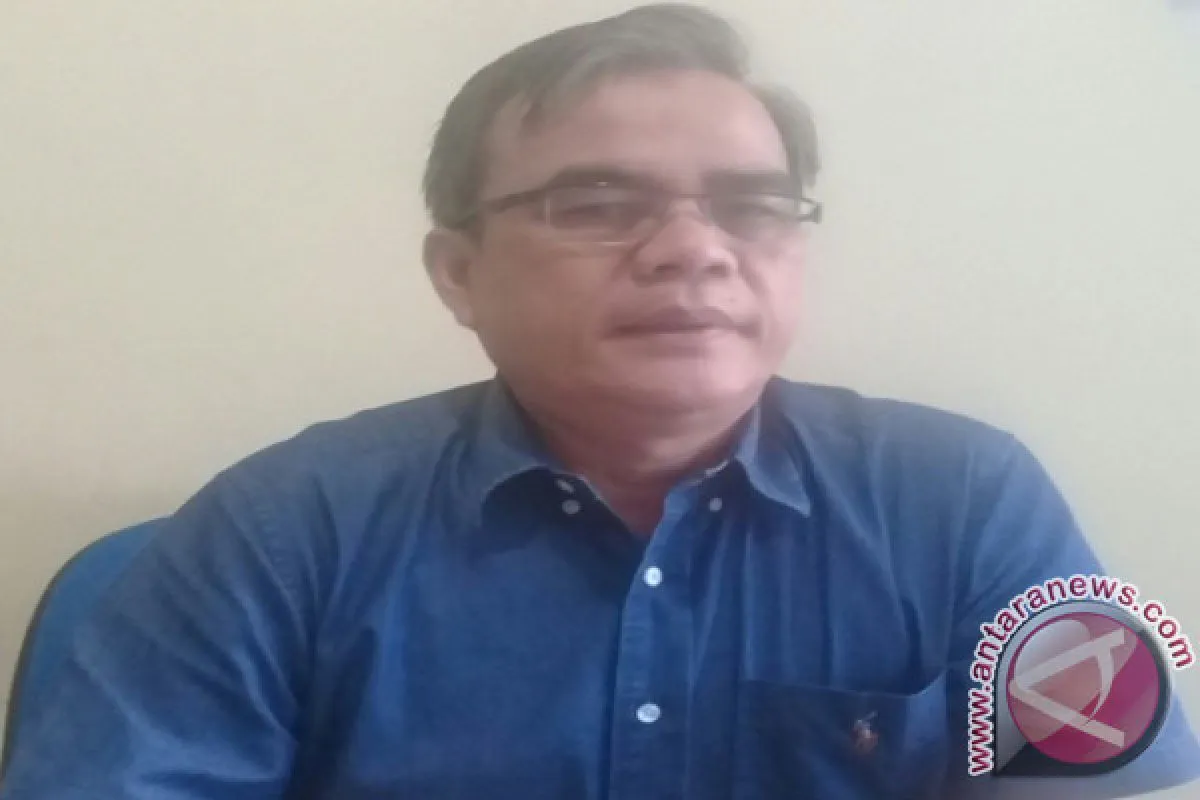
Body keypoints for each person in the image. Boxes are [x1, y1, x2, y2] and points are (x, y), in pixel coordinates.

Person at [1, 4, 1197, 799]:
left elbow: (1105, 787)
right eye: (594, 204)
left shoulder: (974, 495)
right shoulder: (280, 526)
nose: (694, 249)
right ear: (457, 272)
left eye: (750, 205)